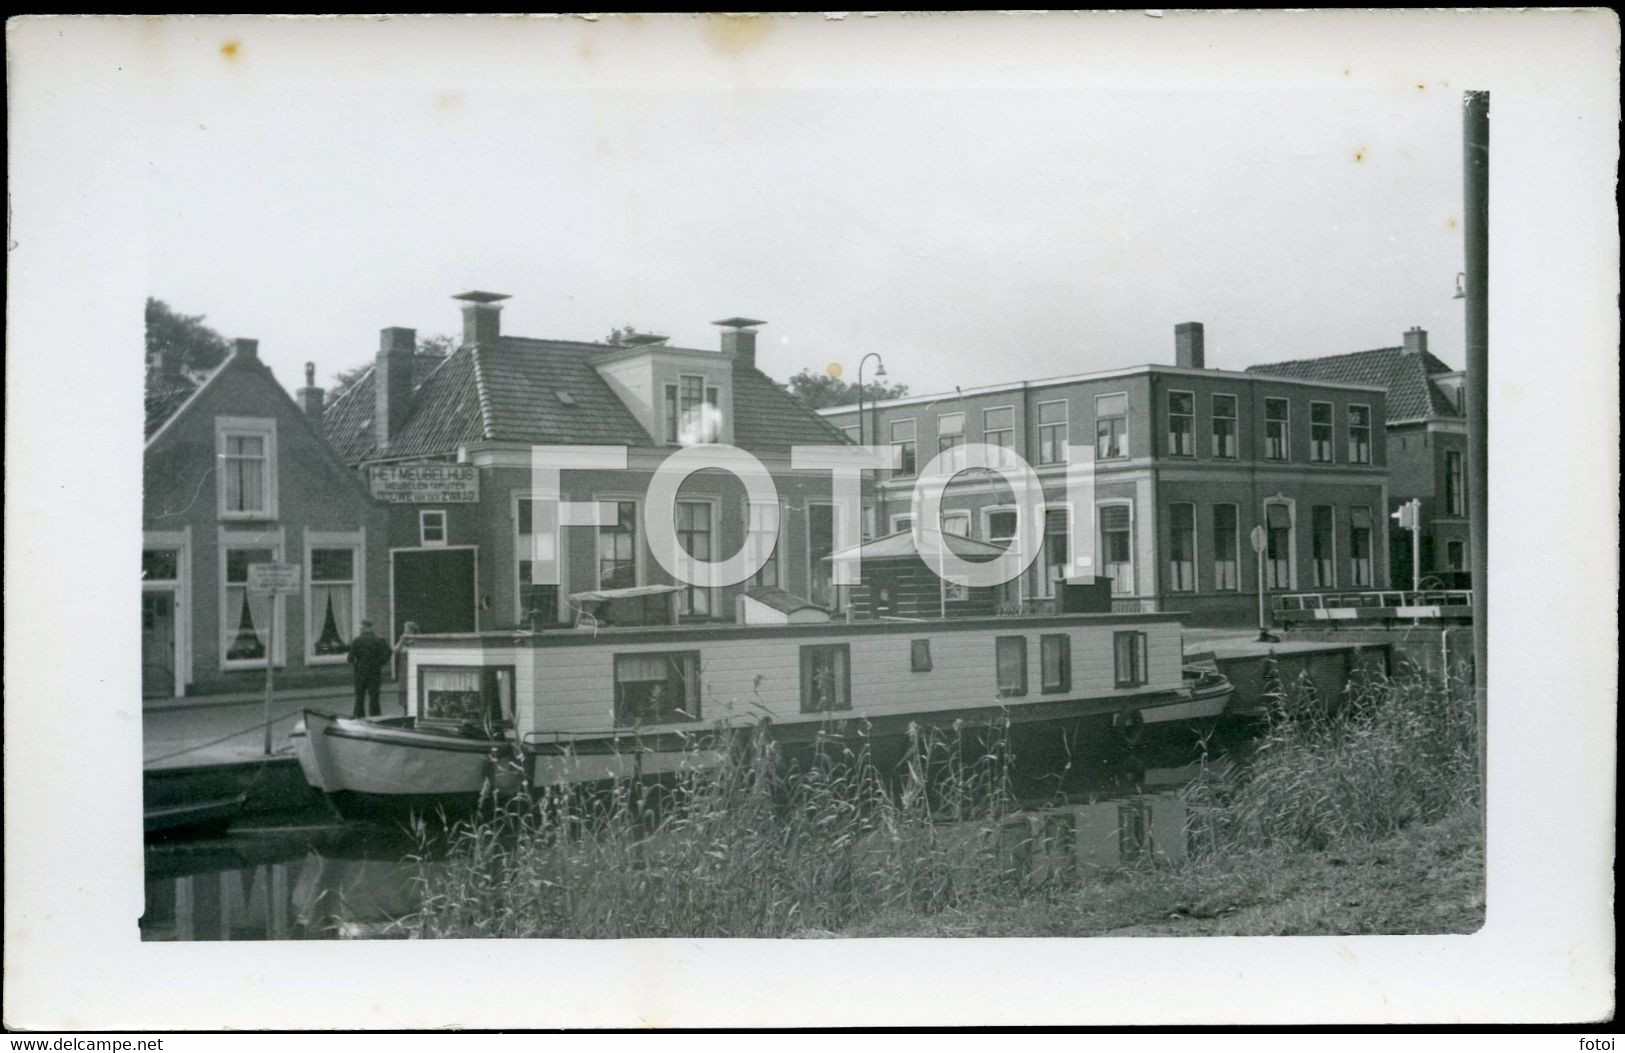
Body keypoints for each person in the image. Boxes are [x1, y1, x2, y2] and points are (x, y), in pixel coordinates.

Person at [346, 619, 393, 719]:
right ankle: (375, 719)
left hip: (360, 672)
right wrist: (380, 662)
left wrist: (356, 663)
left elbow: (350, 659)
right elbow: (388, 652)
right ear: (371, 628)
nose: (360, 629)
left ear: (364, 627)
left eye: (360, 627)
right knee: (374, 698)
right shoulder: (379, 640)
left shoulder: (357, 641)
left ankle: (359, 719)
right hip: (375, 671)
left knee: (359, 698)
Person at [393, 621, 419, 713]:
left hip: (411, 669)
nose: (405, 632)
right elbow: (395, 650)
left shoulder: (416, 641)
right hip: (403, 670)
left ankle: (411, 711)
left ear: (412, 631)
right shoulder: (403, 641)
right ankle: (405, 710)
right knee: (403, 690)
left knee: (411, 690)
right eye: (404, 630)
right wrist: (401, 641)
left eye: (406, 630)